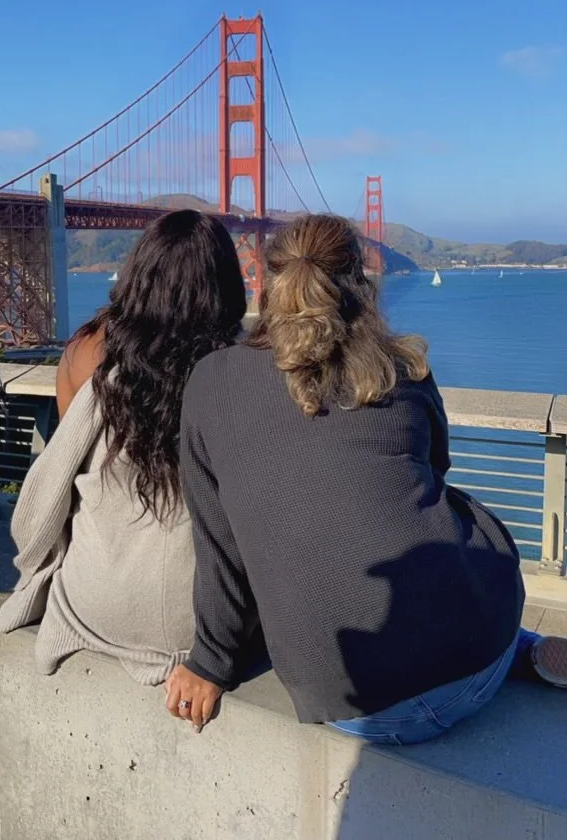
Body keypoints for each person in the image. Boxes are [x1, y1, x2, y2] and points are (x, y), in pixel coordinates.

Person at [166, 214, 567, 740]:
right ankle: (520, 648)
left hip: (345, 705)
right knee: (464, 522)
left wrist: (209, 663)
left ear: (269, 283)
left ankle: (512, 646)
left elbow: (217, 543)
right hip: (473, 669)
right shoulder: (401, 369)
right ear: (361, 283)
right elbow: (435, 475)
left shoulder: (209, 379)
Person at [0, 210, 246, 686]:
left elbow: (66, 478)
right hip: (207, 624)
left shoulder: (85, 353)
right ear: (224, 284)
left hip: (95, 601)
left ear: (137, 275)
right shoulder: (246, 370)